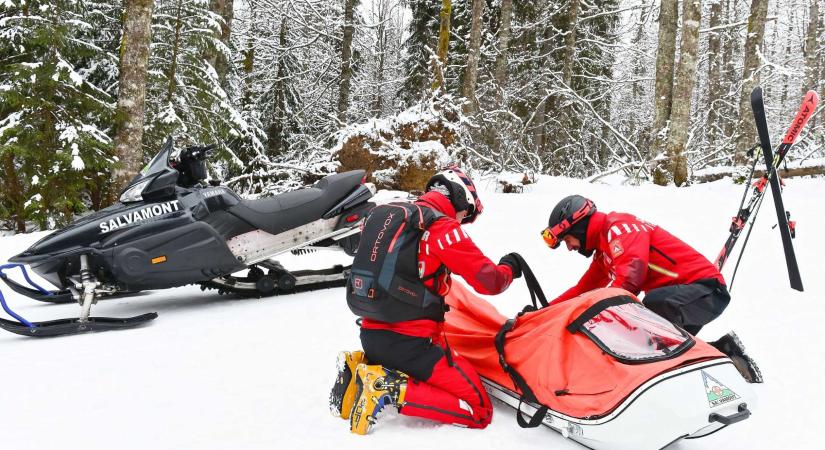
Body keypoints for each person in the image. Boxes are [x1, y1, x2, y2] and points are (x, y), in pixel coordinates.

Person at [329, 166, 523, 435]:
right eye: (466, 212)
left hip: (371, 335)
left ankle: (359, 366)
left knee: (418, 359)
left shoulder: (391, 216)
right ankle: (388, 387)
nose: (463, 220)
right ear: (459, 197)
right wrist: (510, 268)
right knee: (479, 410)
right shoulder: (440, 227)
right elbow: (489, 281)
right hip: (412, 346)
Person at [541, 194, 762, 383]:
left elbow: (630, 279)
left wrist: (598, 321)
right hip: (684, 297)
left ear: (579, 227)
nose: (569, 247)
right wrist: (543, 313)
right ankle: (725, 355)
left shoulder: (619, 227)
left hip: (707, 291)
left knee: (645, 318)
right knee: (649, 345)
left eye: (568, 239)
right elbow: (582, 290)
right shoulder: (604, 252)